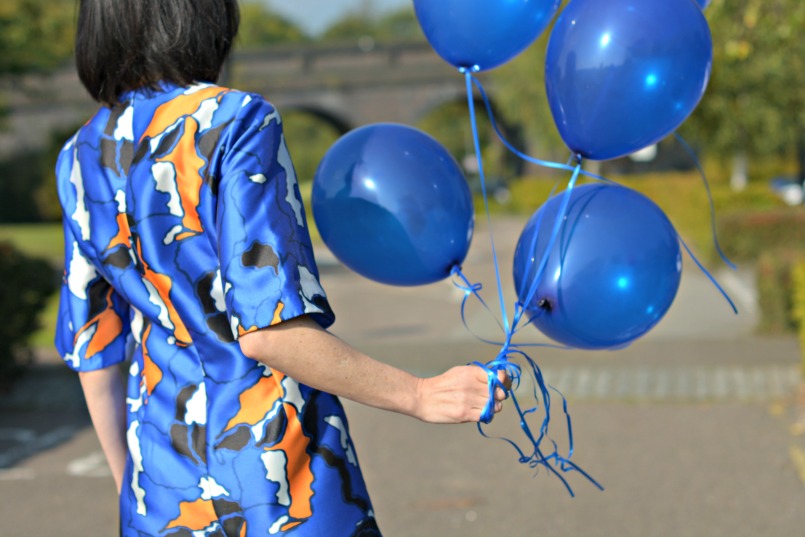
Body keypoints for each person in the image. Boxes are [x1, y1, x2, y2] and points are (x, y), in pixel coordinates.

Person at [55, 1, 507, 536]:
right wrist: (420, 394)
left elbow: (94, 349)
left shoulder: (80, 155)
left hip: (161, 487)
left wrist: (131, 487)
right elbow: (269, 333)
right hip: (274, 479)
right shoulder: (234, 120)